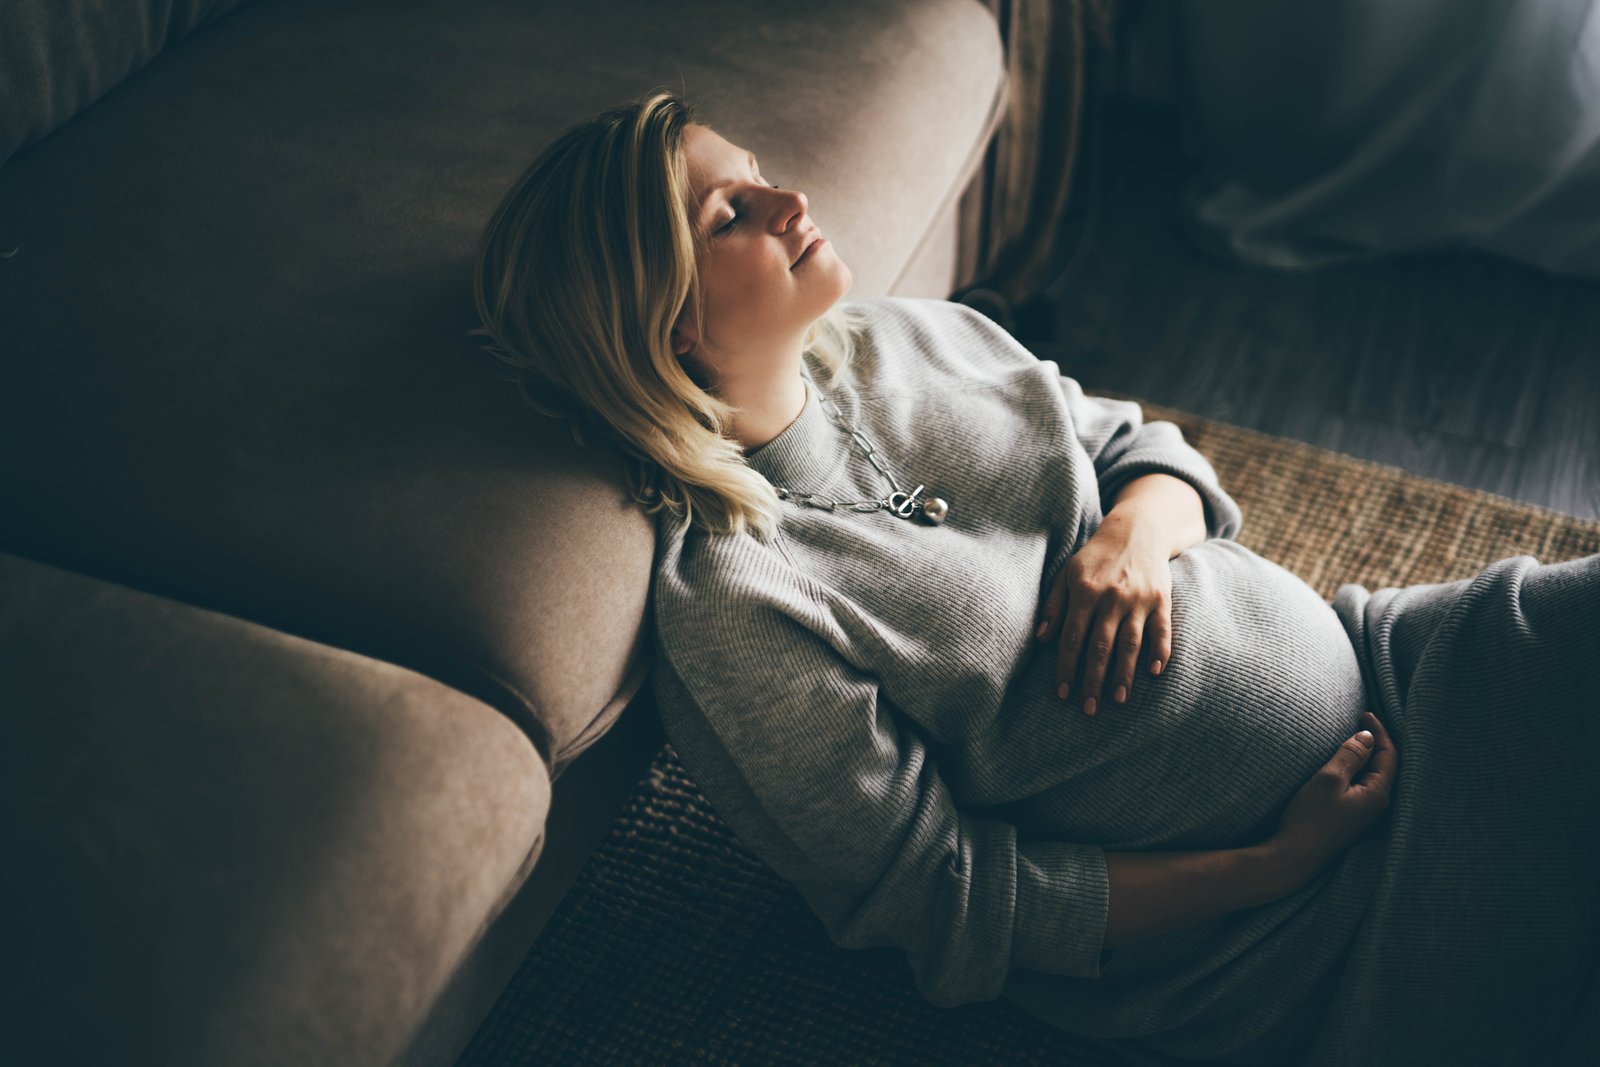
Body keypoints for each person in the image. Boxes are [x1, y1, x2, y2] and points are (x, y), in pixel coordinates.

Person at [469, 90, 1600, 1066]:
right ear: (660, 323)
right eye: (732, 214)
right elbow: (940, 896)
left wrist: (1133, 538)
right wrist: (1271, 863)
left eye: (756, 175)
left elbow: (1143, 448)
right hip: (1305, 928)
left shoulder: (909, 337)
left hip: (1404, 667)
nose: (789, 201)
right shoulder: (739, 605)